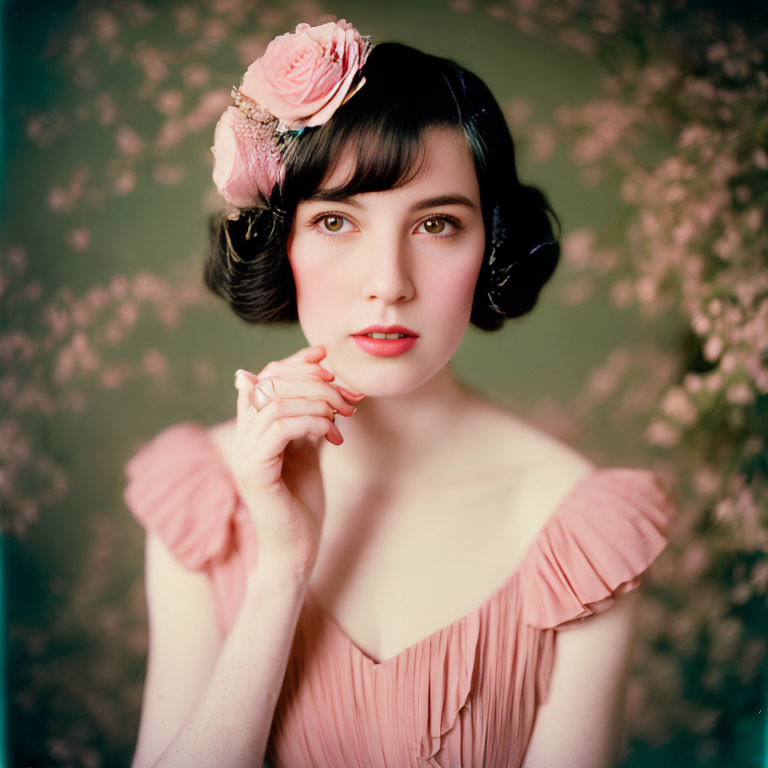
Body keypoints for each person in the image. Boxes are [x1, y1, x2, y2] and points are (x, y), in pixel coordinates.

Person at [123, 19, 675, 768]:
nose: (389, 281)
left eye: (437, 223)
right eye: (336, 222)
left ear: (490, 247)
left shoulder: (577, 535)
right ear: (283, 240)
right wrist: (280, 572)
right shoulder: (201, 502)